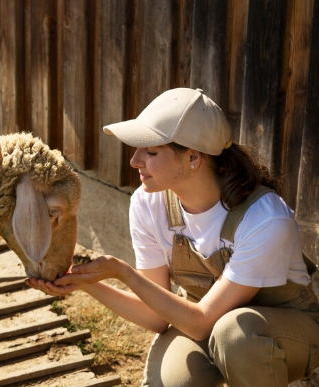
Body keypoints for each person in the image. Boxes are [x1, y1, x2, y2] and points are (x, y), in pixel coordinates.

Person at [26, 87, 319, 387]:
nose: (135, 161)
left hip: (282, 328)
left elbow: (202, 321)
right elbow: (157, 318)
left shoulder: (265, 219)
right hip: (202, 319)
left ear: (193, 157)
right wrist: (87, 284)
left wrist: (122, 272)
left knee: (234, 336)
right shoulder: (148, 204)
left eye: (150, 151)